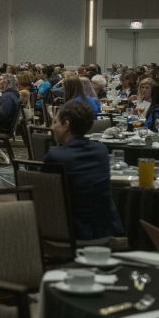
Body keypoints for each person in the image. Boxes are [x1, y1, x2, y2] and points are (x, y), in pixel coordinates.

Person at [44, 100, 123, 241]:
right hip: (105, 228)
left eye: (55, 122)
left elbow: (47, 198)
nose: (51, 127)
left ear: (66, 125)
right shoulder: (101, 150)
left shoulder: (55, 155)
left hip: (71, 231)